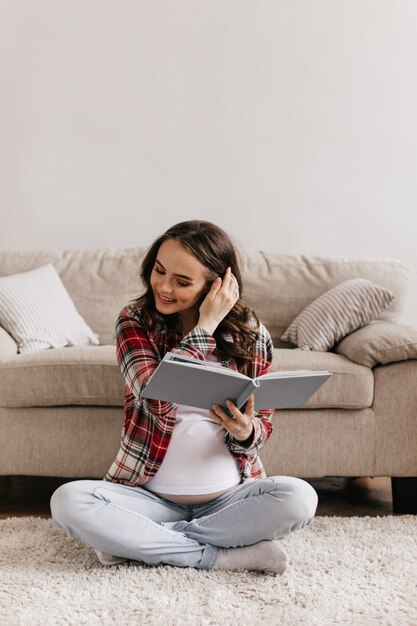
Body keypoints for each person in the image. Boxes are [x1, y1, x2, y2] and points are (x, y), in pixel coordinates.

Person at [50, 220, 318, 575]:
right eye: (159, 271)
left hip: (229, 499)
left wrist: (245, 431)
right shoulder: (134, 321)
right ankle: (220, 556)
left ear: (217, 285)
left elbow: (261, 428)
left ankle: (142, 543)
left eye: (182, 281)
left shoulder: (251, 334)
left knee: (300, 498)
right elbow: (155, 398)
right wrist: (203, 328)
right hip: (146, 497)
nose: (163, 286)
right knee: (68, 502)